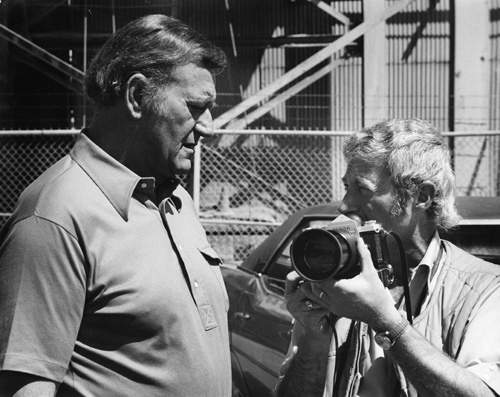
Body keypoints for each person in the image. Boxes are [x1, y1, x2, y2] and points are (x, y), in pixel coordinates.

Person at [0, 15, 231, 397]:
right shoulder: (54, 217)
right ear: (137, 96)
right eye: (195, 106)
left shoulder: (176, 200)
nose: (209, 126)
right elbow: (24, 387)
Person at [275, 118, 500, 397]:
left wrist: (386, 322)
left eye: (362, 189)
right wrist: (313, 336)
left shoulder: (485, 288)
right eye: (346, 187)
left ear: (420, 196)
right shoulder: (336, 277)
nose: (345, 204)